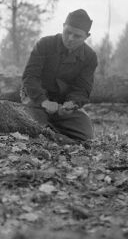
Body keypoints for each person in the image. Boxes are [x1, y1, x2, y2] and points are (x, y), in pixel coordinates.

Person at [21, 9, 98, 142]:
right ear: (63, 26)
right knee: (30, 123)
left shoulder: (90, 57)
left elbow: (83, 88)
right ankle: (48, 131)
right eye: (68, 32)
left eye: (77, 36)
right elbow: (30, 78)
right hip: (35, 99)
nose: (70, 39)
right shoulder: (44, 44)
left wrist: (72, 104)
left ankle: (49, 131)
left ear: (87, 36)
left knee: (86, 134)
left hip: (61, 106)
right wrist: (44, 101)